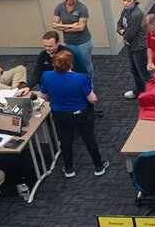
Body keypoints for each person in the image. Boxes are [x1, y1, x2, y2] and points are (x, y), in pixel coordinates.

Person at [40, 50, 107, 178]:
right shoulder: (81, 78)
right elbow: (92, 99)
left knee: (65, 140)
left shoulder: (46, 76)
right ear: (70, 63)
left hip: (59, 114)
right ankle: (98, 166)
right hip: (82, 114)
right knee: (88, 138)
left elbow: (44, 97)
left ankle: (69, 169)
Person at [23, 31, 87, 94]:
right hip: (50, 84)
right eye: (45, 46)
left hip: (65, 84)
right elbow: (37, 73)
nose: (47, 49)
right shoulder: (43, 54)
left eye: (50, 46)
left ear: (58, 43)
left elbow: (71, 73)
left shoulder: (66, 54)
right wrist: (28, 87)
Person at [52, 0, 94, 76]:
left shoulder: (82, 8)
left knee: (85, 64)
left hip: (83, 42)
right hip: (68, 42)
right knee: (71, 64)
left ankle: (89, 83)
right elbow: (54, 25)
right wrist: (71, 26)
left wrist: (63, 27)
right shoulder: (59, 7)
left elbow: (80, 27)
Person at [116, 0, 150, 99]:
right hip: (130, 46)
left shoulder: (136, 15)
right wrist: (121, 30)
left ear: (134, 1)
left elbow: (128, 35)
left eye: (128, 1)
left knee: (144, 73)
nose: (125, 3)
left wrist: (122, 32)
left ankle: (152, 94)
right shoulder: (125, 11)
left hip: (139, 48)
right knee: (133, 70)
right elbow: (119, 24)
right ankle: (139, 90)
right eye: (124, 0)